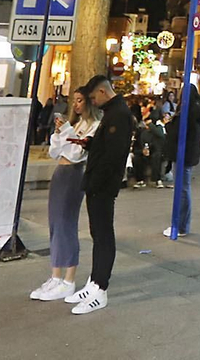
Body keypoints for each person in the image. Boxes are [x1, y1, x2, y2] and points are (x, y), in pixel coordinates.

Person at [66, 75, 132, 315]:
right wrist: (91, 143)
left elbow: (113, 157)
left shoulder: (119, 115)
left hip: (102, 186)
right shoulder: (112, 114)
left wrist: (97, 183)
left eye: (93, 97)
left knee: (104, 235)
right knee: (98, 233)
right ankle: (94, 282)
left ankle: (101, 288)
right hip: (97, 184)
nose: (92, 101)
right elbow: (106, 146)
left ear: (103, 92)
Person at [31, 87, 100, 301]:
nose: (76, 105)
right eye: (75, 101)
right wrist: (60, 133)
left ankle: (68, 279)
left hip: (74, 174)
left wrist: (68, 132)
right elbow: (56, 151)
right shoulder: (77, 124)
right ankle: (56, 275)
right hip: (61, 172)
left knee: (66, 224)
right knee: (55, 224)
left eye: (80, 100)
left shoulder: (95, 126)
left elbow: (79, 153)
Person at [166, 83, 200, 235]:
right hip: (189, 154)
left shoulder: (187, 112)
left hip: (183, 154)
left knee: (182, 189)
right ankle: (182, 224)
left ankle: (181, 226)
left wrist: (169, 124)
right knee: (184, 187)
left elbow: (176, 133)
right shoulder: (197, 110)